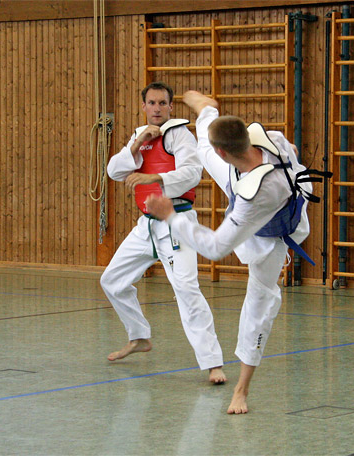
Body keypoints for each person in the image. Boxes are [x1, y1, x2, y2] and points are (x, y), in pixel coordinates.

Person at [146, 90, 320, 414]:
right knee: (202, 148)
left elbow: (215, 247)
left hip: (274, 236)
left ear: (224, 153)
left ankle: (241, 390)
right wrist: (293, 155)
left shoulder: (254, 198)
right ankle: (207, 110)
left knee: (259, 304)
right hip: (258, 173)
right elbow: (290, 150)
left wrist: (169, 215)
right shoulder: (273, 139)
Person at [101, 82, 226, 384]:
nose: (157, 108)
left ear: (171, 107)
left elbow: (192, 173)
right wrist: (134, 146)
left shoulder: (180, 135)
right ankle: (139, 337)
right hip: (146, 224)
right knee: (112, 281)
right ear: (143, 106)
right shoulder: (140, 136)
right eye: (151, 103)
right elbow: (114, 172)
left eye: (162, 103)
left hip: (177, 222)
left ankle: (213, 363)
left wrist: (153, 175)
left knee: (186, 289)